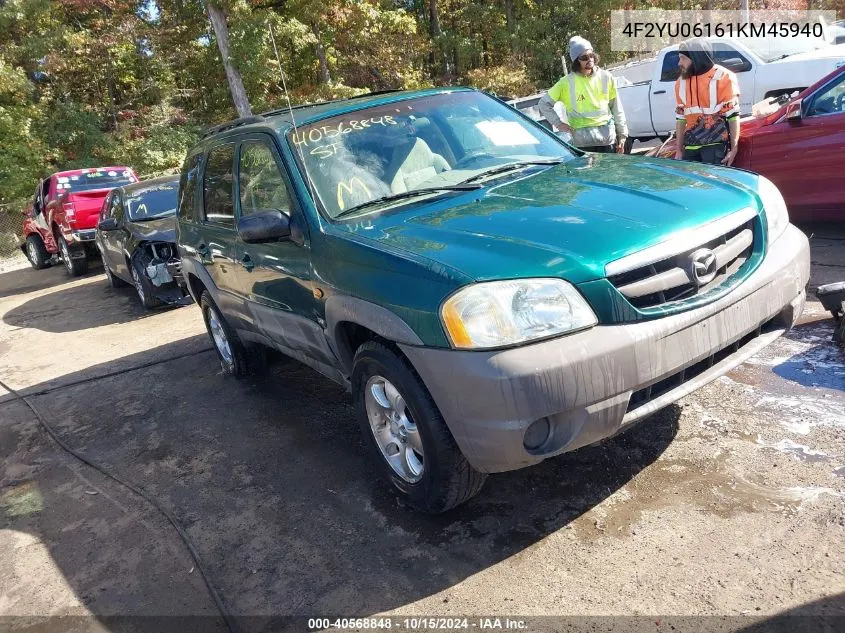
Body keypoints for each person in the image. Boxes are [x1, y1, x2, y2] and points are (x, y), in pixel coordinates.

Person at [538, 36, 628, 153]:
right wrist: (559, 124)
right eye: (584, 57)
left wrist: (622, 135)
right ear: (576, 61)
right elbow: (544, 104)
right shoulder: (566, 83)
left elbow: (616, 108)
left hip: (607, 141)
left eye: (591, 55)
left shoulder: (606, 77)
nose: (590, 59)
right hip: (582, 145)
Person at [673, 38, 741, 165]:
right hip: (691, 148)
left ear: (696, 57)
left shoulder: (723, 77)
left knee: (712, 184)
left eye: (682, 58)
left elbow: (733, 116)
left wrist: (734, 148)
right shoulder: (681, 82)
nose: (679, 63)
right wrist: (679, 150)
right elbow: (680, 118)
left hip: (715, 146)